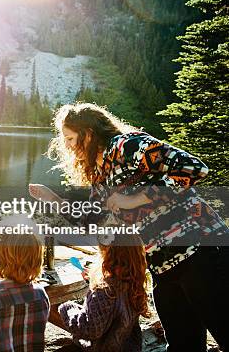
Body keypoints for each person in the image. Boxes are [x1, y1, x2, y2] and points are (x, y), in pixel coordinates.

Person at [29, 102, 229, 352]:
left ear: (88, 133)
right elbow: (95, 220)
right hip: (161, 264)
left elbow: (194, 168)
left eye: (70, 138)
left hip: (201, 249)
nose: (67, 146)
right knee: (183, 345)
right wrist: (55, 201)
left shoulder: (127, 146)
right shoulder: (99, 174)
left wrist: (136, 198)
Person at [50, 235, 149, 352]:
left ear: (108, 257)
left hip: (102, 348)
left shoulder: (104, 290)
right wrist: (92, 281)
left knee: (52, 309)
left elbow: (90, 328)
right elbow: (110, 309)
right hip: (127, 347)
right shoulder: (133, 282)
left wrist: (66, 308)